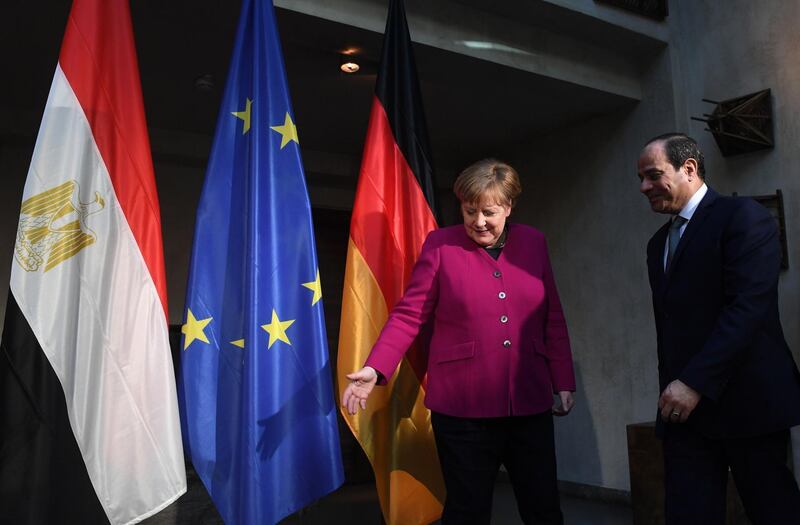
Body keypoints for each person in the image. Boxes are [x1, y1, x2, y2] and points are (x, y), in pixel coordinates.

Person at [342, 159, 575, 525]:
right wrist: (375, 367)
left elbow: (552, 317)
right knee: (467, 512)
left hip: (528, 403)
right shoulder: (440, 245)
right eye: (470, 211)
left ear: (509, 207)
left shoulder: (534, 242)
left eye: (489, 212)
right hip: (463, 410)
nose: (478, 221)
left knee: (543, 507)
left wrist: (562, 380)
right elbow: (410, 314)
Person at [637, 133, 800, 523]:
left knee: (774, 511)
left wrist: (693, 382)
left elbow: (748, 309)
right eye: (640, 178)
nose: (643, 187)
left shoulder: (743, 216)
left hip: (749, 405)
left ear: (688, 168)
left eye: (653, 175)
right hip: (685, 417)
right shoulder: (657, 243)